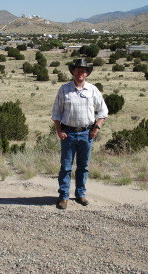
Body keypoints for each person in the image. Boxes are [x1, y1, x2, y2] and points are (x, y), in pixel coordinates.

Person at [51, 58, 108, 209]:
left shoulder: (92, 90)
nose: (80, 72)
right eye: (78, 70)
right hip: (68, 133)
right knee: (66, 167)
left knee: (83, 166)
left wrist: (96, 128)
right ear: (73, 72)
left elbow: (103, 111)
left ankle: (80, 194)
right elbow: (56, 113)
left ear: (87, 73)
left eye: (83, 70)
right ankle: (63, 197)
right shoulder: (64, 89)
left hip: (86, 133)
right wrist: (59, 130)